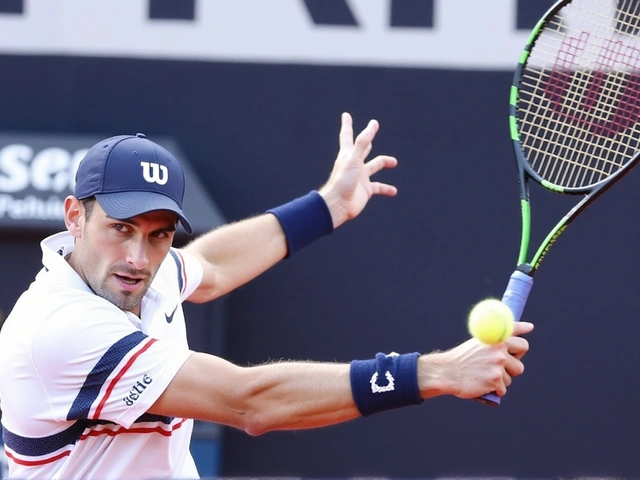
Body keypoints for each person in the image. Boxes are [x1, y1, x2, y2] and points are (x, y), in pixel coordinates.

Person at [0, 113, 533, 480]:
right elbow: (249, 402)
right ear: (75, 216)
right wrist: (435, 372)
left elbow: (210, 266)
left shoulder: (136, 271)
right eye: (121, 228)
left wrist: (327, 205)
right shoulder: (60, 330)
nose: (139, 256)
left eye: (159, 233)